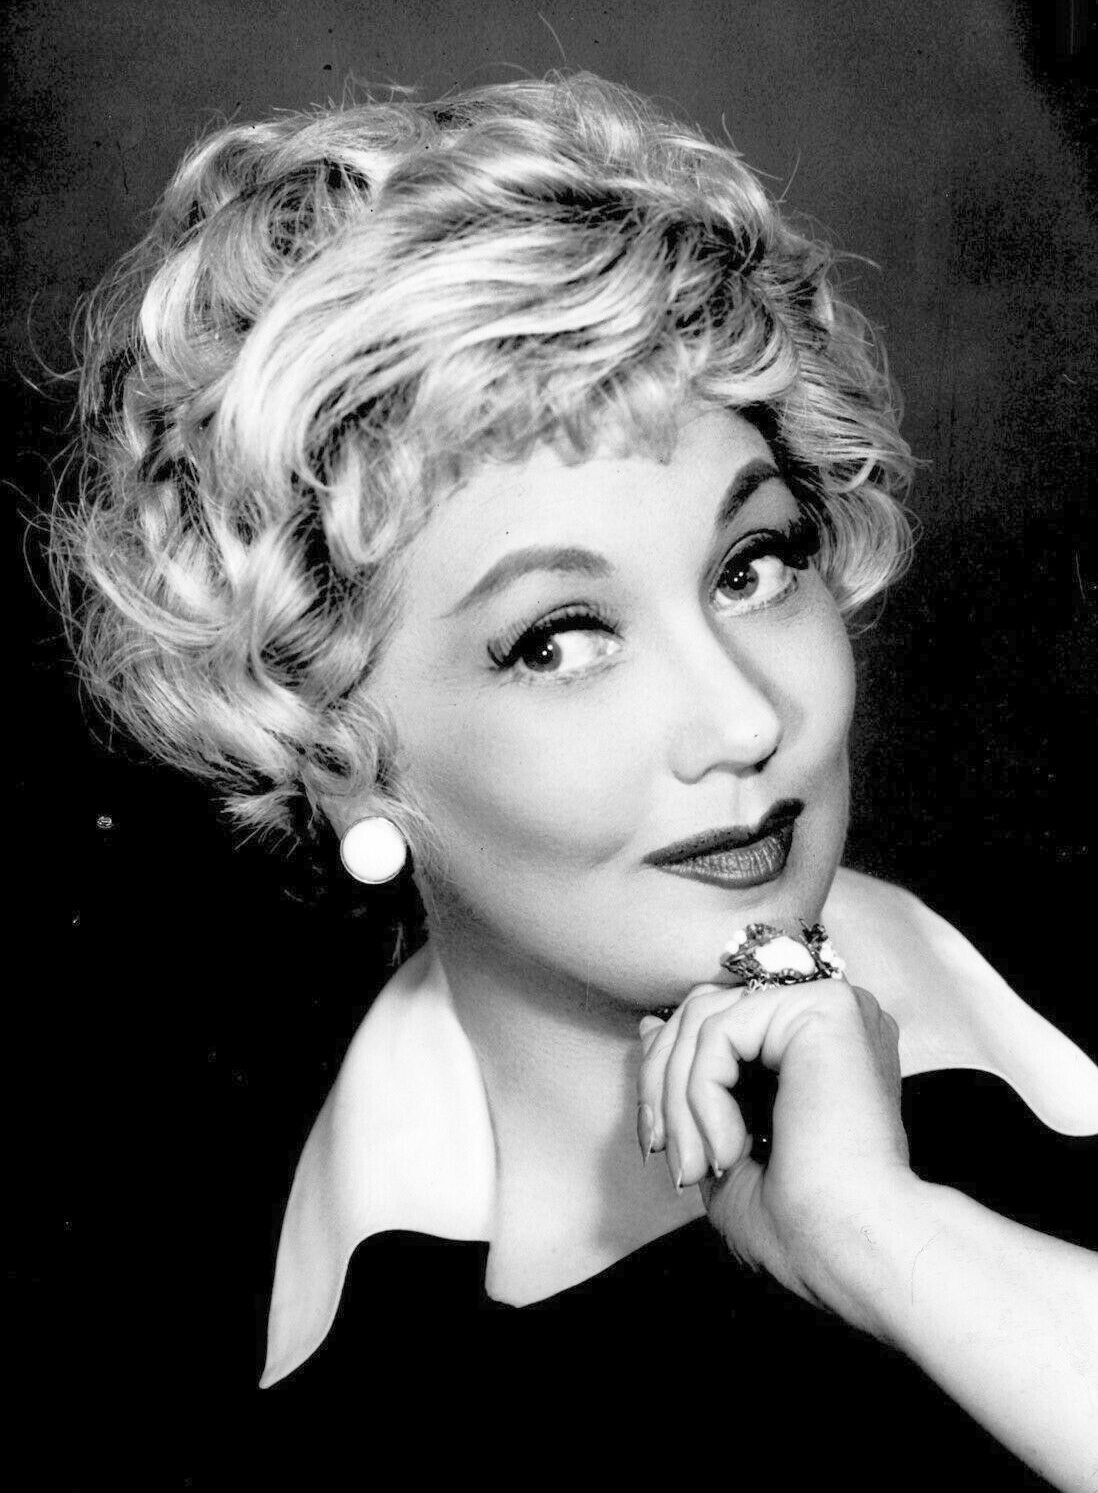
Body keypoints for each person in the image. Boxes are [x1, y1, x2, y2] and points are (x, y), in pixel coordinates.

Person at [50, 71, 1097, 1489]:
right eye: (559, 640)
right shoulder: (340, 1415)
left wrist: (888, 1236)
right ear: (334, 746)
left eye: (752, 566)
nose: (741, 720)